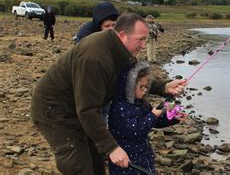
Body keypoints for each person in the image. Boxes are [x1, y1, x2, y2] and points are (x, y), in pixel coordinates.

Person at [30, 13, 188, 174]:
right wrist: (112, 148)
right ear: (122, 35)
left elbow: (135, 77)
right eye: (140, 40)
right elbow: (87, 110)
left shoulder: (122, 50)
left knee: (97, 161)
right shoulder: (95, 57)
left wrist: (164, 87)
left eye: (145, 40)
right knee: (79, 165)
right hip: (56, 111)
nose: (142, 45)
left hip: (82, 108)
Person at [108, 61, 186, 174]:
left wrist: (174, 117)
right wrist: (153, 114)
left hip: (144, 157)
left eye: (147, 86)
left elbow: (156, 122)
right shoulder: (120, 107)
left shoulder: (140, 102)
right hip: (127, 163)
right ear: (129, 86)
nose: (145, 90)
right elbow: (134, 130)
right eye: (141, 87)